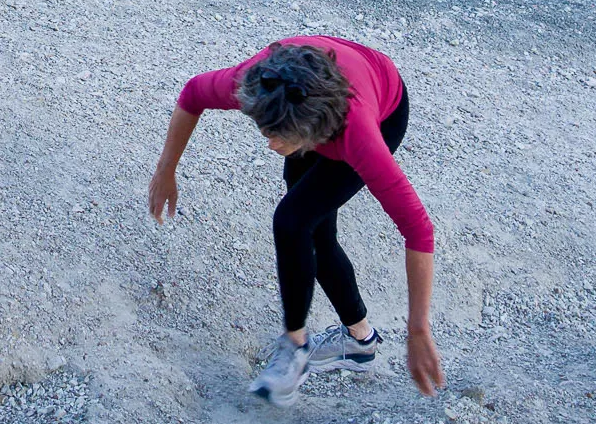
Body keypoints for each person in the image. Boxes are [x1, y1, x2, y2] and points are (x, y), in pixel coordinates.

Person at [148, 34, 444, 400]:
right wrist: (166, 169)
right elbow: (193, 93)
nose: (270, 144)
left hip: (382, 105)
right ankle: (360, 341)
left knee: (293, 220)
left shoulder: (359, 136)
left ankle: (295, 347)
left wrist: (417, 329)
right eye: (265, 130)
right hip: (305, 94)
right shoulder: (259, 82)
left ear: (315, 132)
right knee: (313, 230)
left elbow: (418, 229)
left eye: (280, 136)